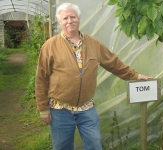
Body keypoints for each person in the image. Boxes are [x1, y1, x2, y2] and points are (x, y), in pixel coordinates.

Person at [35, 2, 152, 150]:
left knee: (95, 145)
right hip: (60, 110)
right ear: (60, 21)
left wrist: (135, 75)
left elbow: (114, 63)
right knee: (62, 147)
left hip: (87, 108)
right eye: (65, 18)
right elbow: (41, 78)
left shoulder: (93, 44)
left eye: (73, 17)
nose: (70, 21)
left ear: (79, 19)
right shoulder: (50, 46)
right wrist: (43, 109)